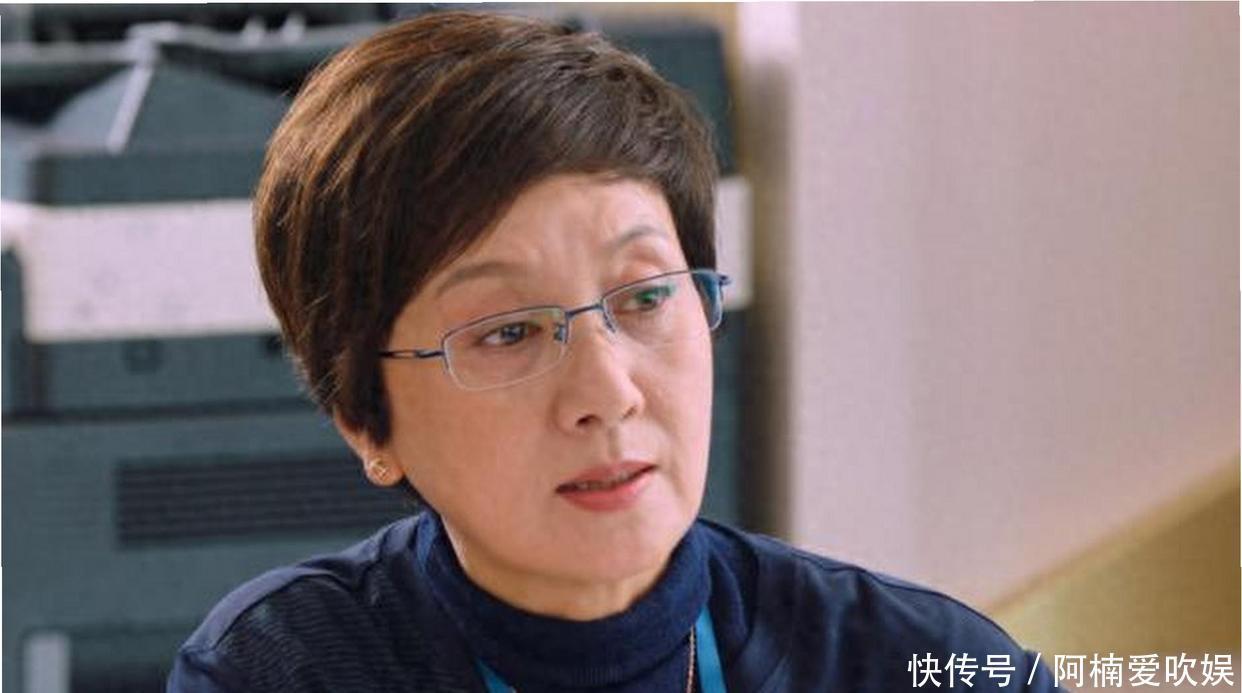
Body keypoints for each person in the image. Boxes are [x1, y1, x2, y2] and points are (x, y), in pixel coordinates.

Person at [168, 11, 1064, 692]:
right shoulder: (282, 670)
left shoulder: (918, 663)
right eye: (508, 331)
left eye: (644, 298)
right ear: (365, 419)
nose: (607, 391)